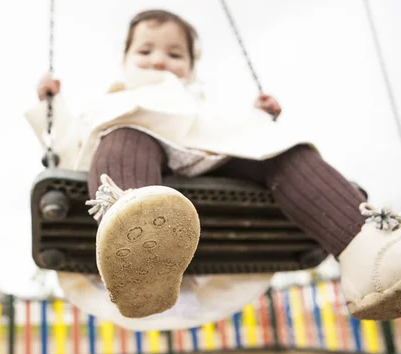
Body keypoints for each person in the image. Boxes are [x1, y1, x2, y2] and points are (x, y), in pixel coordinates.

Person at [25, 9, 401, 331]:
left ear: (189, 68)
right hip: (140, 178)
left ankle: (367, 257)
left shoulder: (201, 112)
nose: (159, 60)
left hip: (208, 170)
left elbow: (234, 142)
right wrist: (50, 106)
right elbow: (66, 143)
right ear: (124, 59)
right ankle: (133, 240)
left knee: (286, 152)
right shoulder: (112, 104)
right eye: (145, 50)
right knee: (124, 134)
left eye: (174, 53)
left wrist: (259, 121)